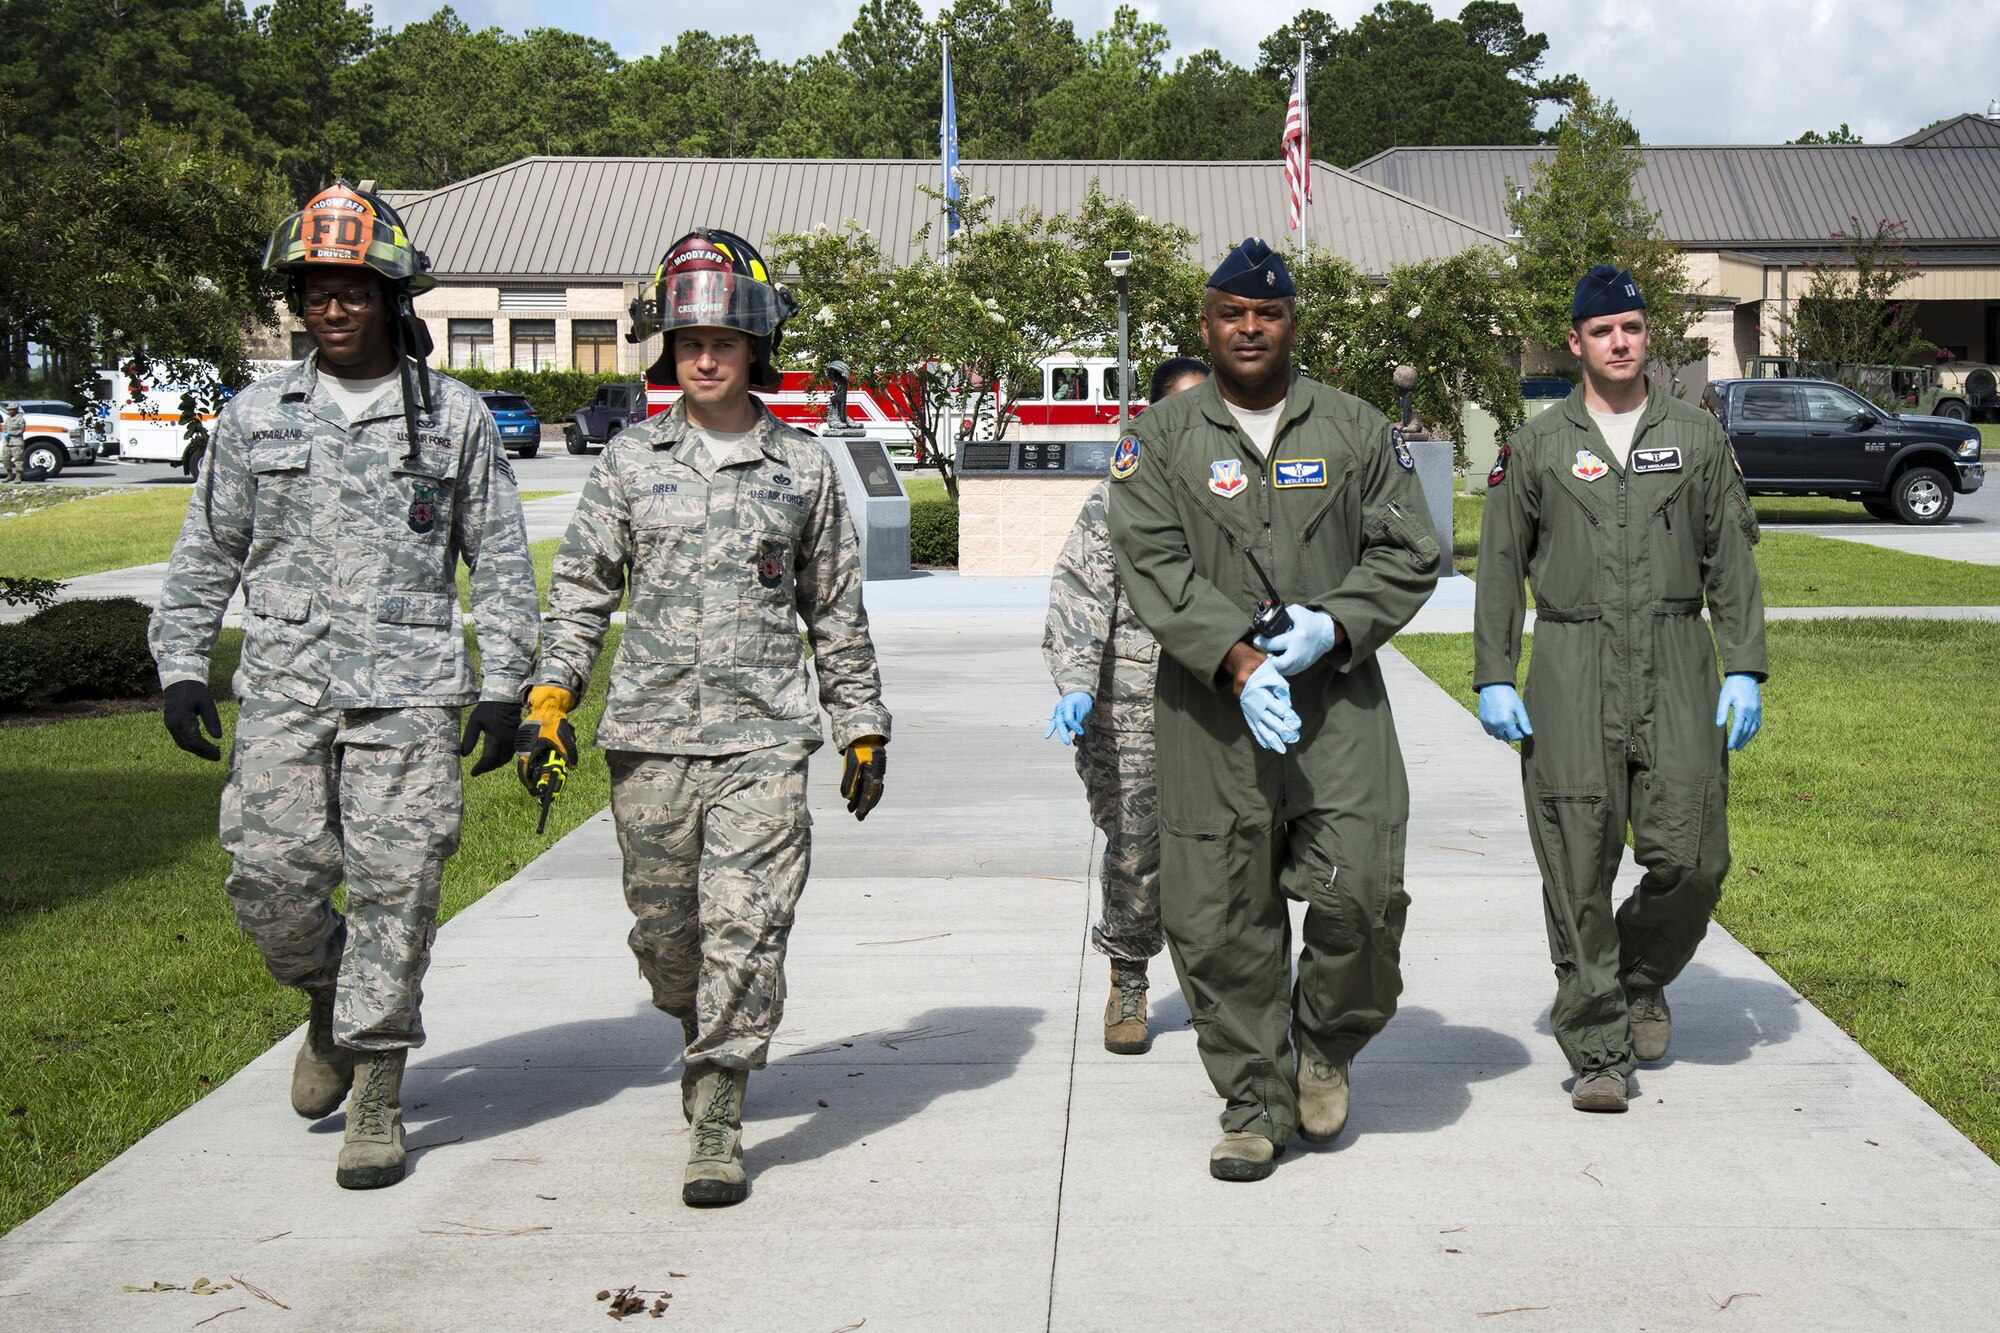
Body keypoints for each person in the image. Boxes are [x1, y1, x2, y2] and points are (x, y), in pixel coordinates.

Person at [147, 181, 541, 1188]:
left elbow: (496, 562)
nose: (331, 306)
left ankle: (376, 1087)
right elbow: (206, 551)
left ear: (388, 296)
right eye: (315, 289)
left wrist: (506, 686)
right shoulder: (255, 415)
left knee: (396, 891)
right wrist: (184, 662)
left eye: (351, 288)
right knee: (266, 880)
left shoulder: (450, 420)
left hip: (409, 696)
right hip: (285, 687)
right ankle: (327, 999)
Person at [521, 228, 890, 1208]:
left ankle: (719, 1101)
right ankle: (693, 1021)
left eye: (724, 338)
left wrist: (859, 721)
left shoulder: (802, 469)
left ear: (755, 346)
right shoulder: (630, 463)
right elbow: (582, 593)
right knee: (667, 934)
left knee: (745, 925)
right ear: (666, 349)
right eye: (688, 339)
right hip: (648, 737)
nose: (705, 355)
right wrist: (550, 699)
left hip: (763, 738)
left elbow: (835, 612)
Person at [1108, 239, 1441, 1181]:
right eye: (1229, 314)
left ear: (1294, 322)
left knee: (1363, 889)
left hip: (1337, 703)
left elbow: (1411, 550)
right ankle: (1255, 1098)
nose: (1249, 328)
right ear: (1205, 325)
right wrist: (1242, 658)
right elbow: (1152, 561)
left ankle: (1326, 1041)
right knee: (1219, 914)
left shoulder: (1355, 428)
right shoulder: (1160, 441)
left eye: (1268, 313)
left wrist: (1333, 625)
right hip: (1212, 710)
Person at [1472, 264, 1766, 1112]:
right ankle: (1600, 1048)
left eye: (1633, 327)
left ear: (1649, 336)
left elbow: (1731, 558)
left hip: (1677, 658)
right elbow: (1499, 567)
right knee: (1576, 863)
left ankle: (1640, 972)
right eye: (1603, 331)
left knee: (1695, 858)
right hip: (1571, 660)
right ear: (1576, 342)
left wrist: (1743, 662)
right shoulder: (1537, 445)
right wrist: (1496, 672)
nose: (1621, 342)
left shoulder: (1697, 437)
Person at [1043, 356, 1209, 1056]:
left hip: (1219, 703)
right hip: (1131, 704)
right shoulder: (1122, 494)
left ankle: (1219, 982)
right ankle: (1130, 977)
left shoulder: (1241, 491)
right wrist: (1077, 681)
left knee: (1218, 851)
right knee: (1138, 850)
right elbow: (1083, 590)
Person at [2, 402, 24, 483]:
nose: (9, 411)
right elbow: (5, 428)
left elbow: (20, 431)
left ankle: (18, 477)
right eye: (8, 409)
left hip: (16, 443)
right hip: (7, 443)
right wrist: (5, 433)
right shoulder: (7, 419)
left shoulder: (20, 419)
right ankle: (9, 475)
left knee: (18, 460)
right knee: (5, 460)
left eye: (11, 409)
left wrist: (10, 433)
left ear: (15, 410)